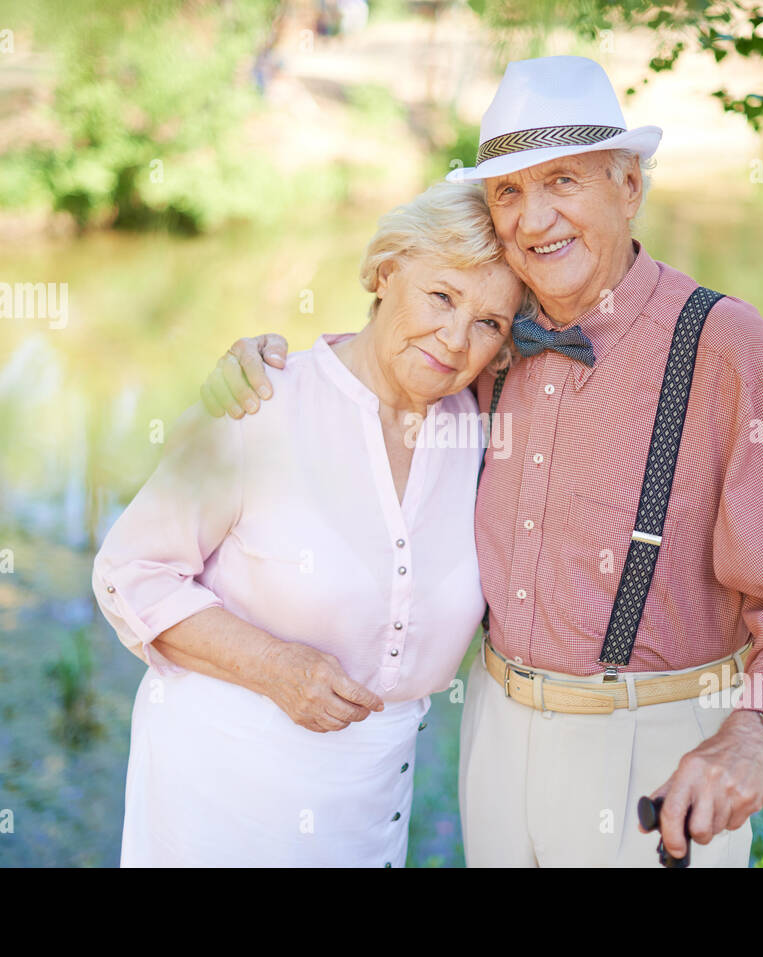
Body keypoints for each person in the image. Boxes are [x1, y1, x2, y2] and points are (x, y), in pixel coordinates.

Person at [200, 56, 763, 867]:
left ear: (629, 185)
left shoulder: (723, 345)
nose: (533, 218)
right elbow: (375, 368)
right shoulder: (487, 336)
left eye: (563, 180)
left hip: (654, 758)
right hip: (492, 739)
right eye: (509, 192)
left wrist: (757, 735)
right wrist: (263, 370)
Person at [93, 181, 529, 866]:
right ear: (386, 271)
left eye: (489, 323)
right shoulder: (261, 402)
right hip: (220, 801)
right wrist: (273, 665)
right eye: (441, 296)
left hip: (371, 813)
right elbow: (128, 573)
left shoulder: (477, 432)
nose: (454, 337)